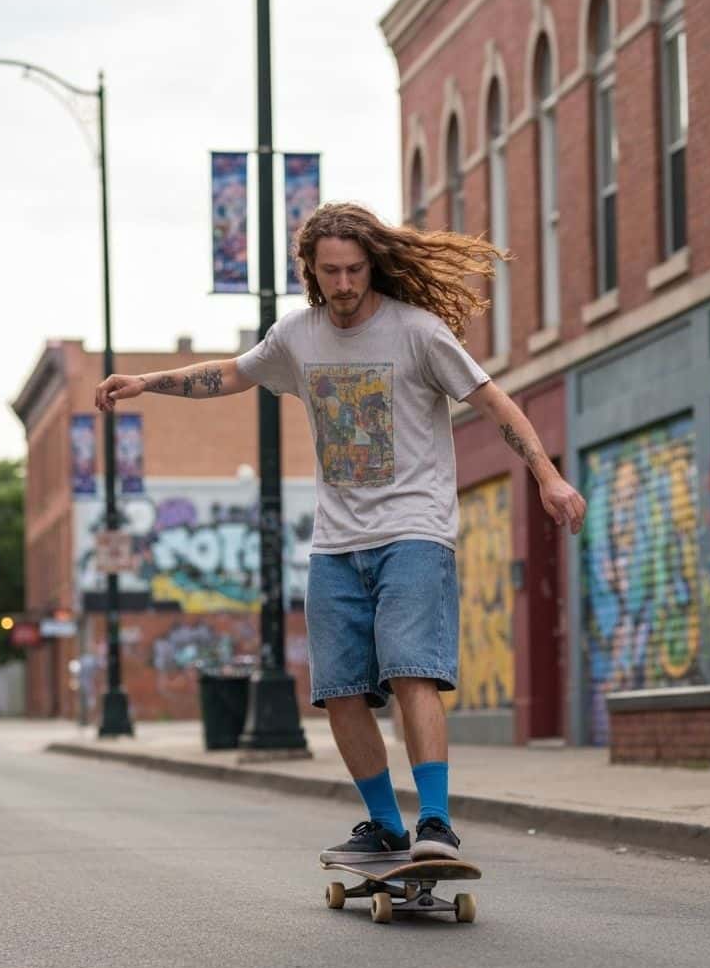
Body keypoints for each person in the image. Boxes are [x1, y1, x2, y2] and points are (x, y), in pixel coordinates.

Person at [95, 202, 587, 863]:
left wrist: (547, 475)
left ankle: (435, 825)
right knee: (340, 692)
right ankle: (385, 824)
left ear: (372, 265)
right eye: (333, 272)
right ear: (312, 271)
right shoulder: (297, 337)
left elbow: (493, 400)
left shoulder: (418, 332)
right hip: (336, 544)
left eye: (356, 270)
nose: (347, 285)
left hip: (415, 530)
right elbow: (227, 376)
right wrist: (146, 383)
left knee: (413, 674)